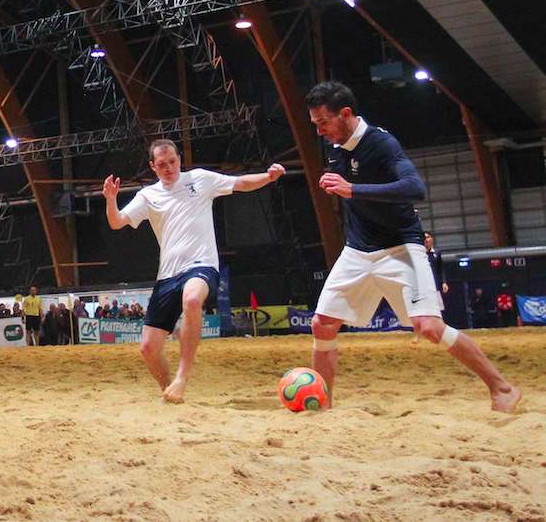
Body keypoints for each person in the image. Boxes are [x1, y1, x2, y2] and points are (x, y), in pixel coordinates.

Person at [304, 81, 520, 412]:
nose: (320, 131)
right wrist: (334, 181)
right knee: (322, 322)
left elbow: (415, 188)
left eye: (323, 122)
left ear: (345, 114)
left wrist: (353, 189)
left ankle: (501, 387)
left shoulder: (382, 143)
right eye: (315, 124)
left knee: (430, 328)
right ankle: (323, 404)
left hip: (401, 247)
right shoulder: (337, 148)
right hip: (359, 249)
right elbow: (348, 181)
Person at [103, 138, 286, 403]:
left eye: (173, 162)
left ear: (179, 159)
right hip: (167, 275)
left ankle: (182, 378)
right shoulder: (148, 196)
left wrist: (268, 177)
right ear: (153, 166)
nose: (169, 168)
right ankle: (170, 391)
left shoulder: (200, 179)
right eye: (162, 164)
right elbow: (117, 221)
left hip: (201, 266)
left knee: (191, 300)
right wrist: (111, 199)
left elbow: (240, 183)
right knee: (148, 348)